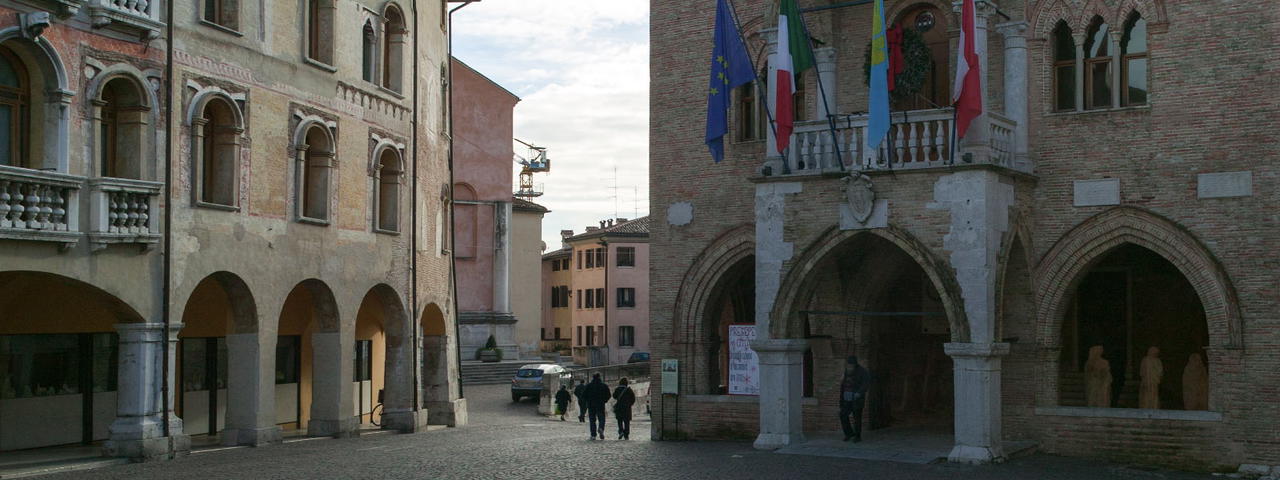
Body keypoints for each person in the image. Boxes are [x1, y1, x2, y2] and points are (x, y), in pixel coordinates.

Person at [839, 355, 871, 443]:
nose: (849, 367)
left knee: (857, 418)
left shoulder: (862, 372)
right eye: (848, 366)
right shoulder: (846, 372)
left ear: (854, 365)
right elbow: (843, 385)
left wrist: (858, 393)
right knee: (843, 415)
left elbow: (866, 384)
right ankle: (849, 433)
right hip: (846, 399)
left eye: (851, 366)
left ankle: (857, 436)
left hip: (856, 399)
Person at [583, 373, 612, 440]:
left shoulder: (589, 386)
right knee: (602, 418)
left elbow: (584, 395)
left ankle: (593, 435)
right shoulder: (603, 385)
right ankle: (601, 428)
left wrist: (588, 401)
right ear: (599, 377)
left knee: (592, 420)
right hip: (600, 404)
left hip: (591, 405)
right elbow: (609, 395)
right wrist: (604, 400)